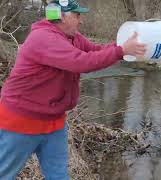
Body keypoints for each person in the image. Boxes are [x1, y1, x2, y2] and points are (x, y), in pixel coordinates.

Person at [0, 0, 146, 179]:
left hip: (54, 121)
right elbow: (82, 62)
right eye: (77, 15)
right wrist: (120, 51)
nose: (81, 20)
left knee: (59, 175)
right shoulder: (43, 38)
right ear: (60, 16)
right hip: (22, 121)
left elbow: (95, 50)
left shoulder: (72, 37)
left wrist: (122, 49)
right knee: (5, 173)